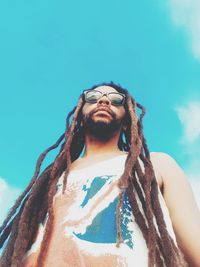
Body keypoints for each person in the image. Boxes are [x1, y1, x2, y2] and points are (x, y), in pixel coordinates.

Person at [0, 82, 200, 267]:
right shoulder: (50, 181)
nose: (103, 100)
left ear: (127, 121)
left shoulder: (156, 165)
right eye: (93, 97)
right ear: (79, 116)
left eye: (115, 100)